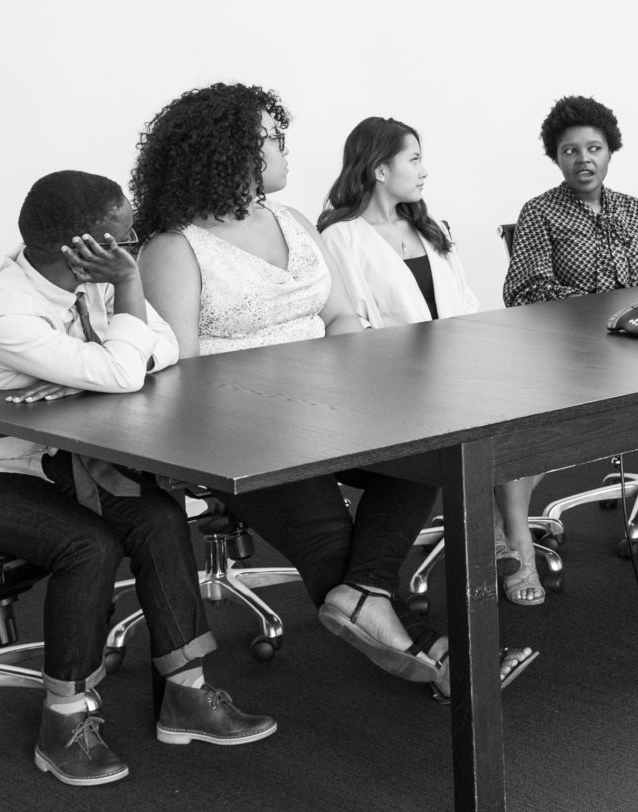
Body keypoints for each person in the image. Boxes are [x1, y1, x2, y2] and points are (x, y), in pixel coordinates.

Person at [0, 170, 275, 787]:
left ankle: (186, 694)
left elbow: (166, 346)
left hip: (38, 458)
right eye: (125, 235)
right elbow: (125, 373)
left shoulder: (87, 282)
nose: (133, 245)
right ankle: (63, 722)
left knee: (155, 515)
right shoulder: (5, 312)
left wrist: (90, 368)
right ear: (85, 245)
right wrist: (119, 318)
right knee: (87, 545)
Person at [131, 83, 450, 686]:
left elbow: (339, 317)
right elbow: (184, 373)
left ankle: (363, 598)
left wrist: (351, 384)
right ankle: (425, 650)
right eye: (273, 140)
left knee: (428, 453)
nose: (285, 150)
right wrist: (287, 403)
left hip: (327, 408)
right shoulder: (175, 250)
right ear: (231, 153)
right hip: (241, 431)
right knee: (328, 533)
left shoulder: (295, 221)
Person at [315, 115, 537, 683]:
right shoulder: (340, 237)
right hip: (386, 392)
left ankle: (488, 541)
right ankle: (495, 542)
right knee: (451, 443)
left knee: (519, 412)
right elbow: (353, 327)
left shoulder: (429, 229)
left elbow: (464, 305)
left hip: (453, 376)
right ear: (379, 167)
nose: (423, 170)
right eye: (413, 159)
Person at [497, 96, 638, 553]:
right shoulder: (540, 212)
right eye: (570, 151)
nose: (584, 160)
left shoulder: (633, 209)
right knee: (540, 437)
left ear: (610, 151)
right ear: (556, 157)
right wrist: (600, 308)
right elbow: (523, 291)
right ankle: (514, 535)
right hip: (573, 355)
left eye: (594, 148)